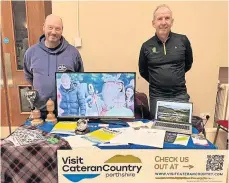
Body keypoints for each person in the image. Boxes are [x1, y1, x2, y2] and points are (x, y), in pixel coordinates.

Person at [23, 14, 84, 119]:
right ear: (44, 27)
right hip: (41, 112)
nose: (53, 32)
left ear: (62, 30)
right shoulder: (31, 53)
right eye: (50, 27)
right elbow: (29, 77)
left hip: (67, 112)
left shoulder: (73, 53)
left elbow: (79, 77)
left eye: (57, 28)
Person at [138, 4, 193, 119]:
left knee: (180, 131)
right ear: (153, 23)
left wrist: (174, 77)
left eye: (167, 18)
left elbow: (188, 64)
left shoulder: (183, 41)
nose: (163, 22)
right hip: (157, 96)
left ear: (172, 21)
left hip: (180, 95)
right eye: (159, 19)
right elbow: (143, 71)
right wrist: (158, 80)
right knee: (158, 131)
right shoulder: (146, 46)